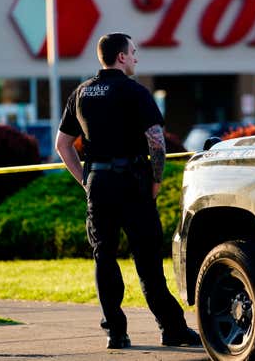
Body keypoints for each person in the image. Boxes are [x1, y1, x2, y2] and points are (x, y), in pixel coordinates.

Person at [55, 33, 201, 350]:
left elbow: (62, 144)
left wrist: (85, 178)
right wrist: (156, 181)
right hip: (133, 183)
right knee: (147, 262)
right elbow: (156, 141)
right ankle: (172, 329)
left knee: (104, 258)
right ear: (121, 57)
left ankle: (116, 334)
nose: (136, 57)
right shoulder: (134, 91)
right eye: (133, 52)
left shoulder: (81, 93)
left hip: (99, 184)